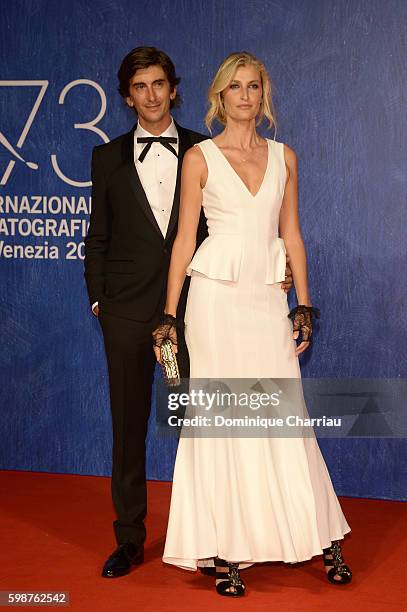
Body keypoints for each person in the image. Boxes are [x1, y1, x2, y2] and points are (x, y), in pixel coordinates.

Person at [84, 45, 294, 579]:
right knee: (128, 428)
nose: (151, 95)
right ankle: (129, 541)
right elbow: (99, 238)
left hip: (199, 311)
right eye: (139, 86)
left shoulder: (210, 151)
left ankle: (212, 537)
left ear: (174, 89)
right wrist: (100, 299)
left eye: (159, 84)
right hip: (128, 315)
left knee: (205, 430)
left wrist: (277, 265)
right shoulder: (106, 158)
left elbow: (242, 225)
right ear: (127, 96)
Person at [152, 51, 352, 597]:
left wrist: (303, 303)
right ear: (220, 96)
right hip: (213, 304)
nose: (245, 95)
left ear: (264, 95)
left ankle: (311, 533)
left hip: (266, 300)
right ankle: (224, 547)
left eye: (254, 86)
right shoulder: (199, 158)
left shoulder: (286, 157)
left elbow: (292, 234)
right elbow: (184, 242)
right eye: (235, 87)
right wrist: (169, 315)